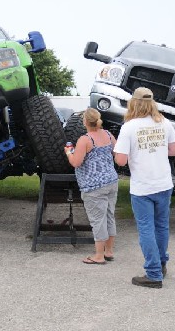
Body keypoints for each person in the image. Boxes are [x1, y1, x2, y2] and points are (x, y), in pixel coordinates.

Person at [113, 87, 175, 288]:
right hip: (163, 183)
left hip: (143, 187)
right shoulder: (164, 122)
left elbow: (122, 160)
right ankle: (161, 263)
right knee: (162, 226)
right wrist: (157, 151)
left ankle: (153, 274)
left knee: (146, 229)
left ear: (133, 103)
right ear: (153, 103)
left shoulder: (129, 127)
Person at [65, 108, 119, 265]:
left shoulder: (85, 139)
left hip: (93, 187)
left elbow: (76, 162)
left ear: (84, 122)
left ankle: (98, 256)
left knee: (97, 220)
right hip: (111, 182)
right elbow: (117, 153)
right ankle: (108, 251)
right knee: (109, 216)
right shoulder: (109, 135)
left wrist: (69, 152)